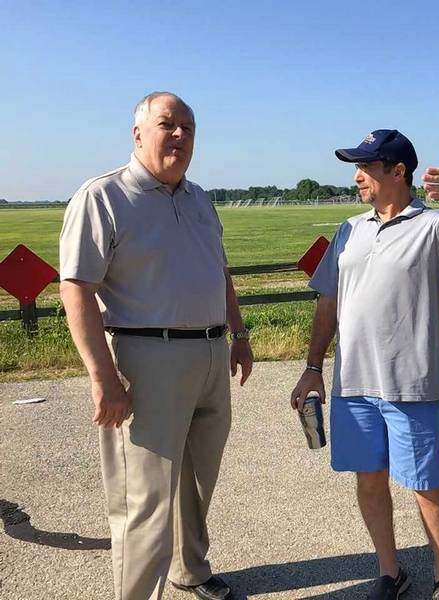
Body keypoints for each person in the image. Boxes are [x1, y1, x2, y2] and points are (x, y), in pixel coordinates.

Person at [290, 129, 439, 600]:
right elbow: (328, 300)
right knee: (369, 481)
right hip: (353, 385)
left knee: (426, 486)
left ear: (398, 171)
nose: (357, 176)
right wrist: (312, 367)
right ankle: (391, 572)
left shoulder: (434, 226)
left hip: (413, 385)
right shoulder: (349, 229)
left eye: (366, 166)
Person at [59, 92, 253, 600]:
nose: (181, 136)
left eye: (189, 128)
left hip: (211, 354)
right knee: (143, 499)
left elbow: (220, 271)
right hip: (147, 357)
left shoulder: (200, 198)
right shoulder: (103, 196)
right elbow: (76, 288)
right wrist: (102, 377)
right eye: (168, 124)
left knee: (196, 484)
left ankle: (192, 569)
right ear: (137, 133)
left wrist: (240, 334)